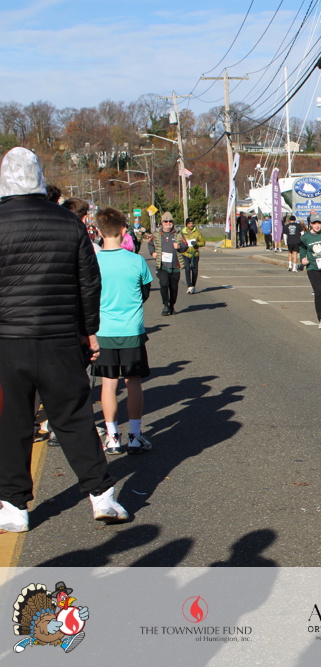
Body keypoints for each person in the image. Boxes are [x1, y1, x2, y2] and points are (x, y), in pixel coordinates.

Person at [0, 146, 128, 532]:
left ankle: (14, 507)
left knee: (12, 423)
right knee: (73, 418)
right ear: (40, 178)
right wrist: (90, 331)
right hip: (61, 336)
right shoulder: (68, 223)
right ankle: (102, 496)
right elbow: (89, 282)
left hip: (8, 339)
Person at [93, 207, 155, 455]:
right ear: (123, 230)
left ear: (99, 232)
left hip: (103, 331)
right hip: (131, 330)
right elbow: (145, 292)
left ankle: (112, 437)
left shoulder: (93, 262)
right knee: (133, 382)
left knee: (108, 384)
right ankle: (135, 435)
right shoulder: (136, 261)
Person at [148, 211, 189, 316]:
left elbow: (186, 245)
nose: (168, 223)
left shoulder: (178, 234)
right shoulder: (157, 234)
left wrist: (179, 247)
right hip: (162, 266)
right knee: (164, 284)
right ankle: (165, 305)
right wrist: (153, 253)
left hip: (175, 266)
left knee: (174, 288)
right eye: (165, 221)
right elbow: (150, 243)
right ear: (162, 223)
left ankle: (172, 306)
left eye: (170, 221)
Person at [181, 218, 205, 294]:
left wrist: (197, 244)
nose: (191, 225)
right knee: (187, 269)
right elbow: (179, 242)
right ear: (186, 224)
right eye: (189, 223)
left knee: (195, 271)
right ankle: (189, 286)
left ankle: (193, 286)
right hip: (186, 254)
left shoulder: (197, 233)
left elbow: (203, 242)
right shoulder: (182, 233)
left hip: (195, 254)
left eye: (192, 223)